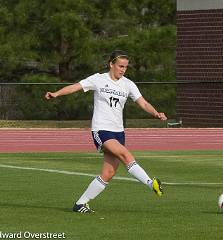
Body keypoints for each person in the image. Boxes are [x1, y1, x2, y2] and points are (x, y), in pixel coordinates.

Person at [45, 50, 167, 213]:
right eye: (120, 66)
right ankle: (151, 183)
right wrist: (56, 94)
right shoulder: (98, 79)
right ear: (111, 64)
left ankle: (80, 204)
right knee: (125, 154)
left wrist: (156, 113)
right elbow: (76, 87)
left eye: (125, 67)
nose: (123, 70)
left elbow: (143, 103)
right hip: (101, 129)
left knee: (108, 173)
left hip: (119, 132)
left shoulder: (128, 84)